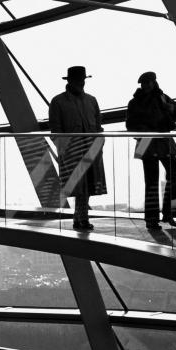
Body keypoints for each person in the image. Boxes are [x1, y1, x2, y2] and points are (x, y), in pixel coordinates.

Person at [49, 65, 106, 231]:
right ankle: (82, 220)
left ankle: (79, 219)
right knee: (80, 187)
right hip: (72, 152)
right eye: (79, 80)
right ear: (71, 81)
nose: (81, 83)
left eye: (82, 80)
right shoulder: (58, 101)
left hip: (91, 149)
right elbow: (56, 129)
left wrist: (99, 144)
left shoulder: (91, 100)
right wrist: (65, 149)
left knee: (86, 186)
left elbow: (98, 126)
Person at [126, 71, 176, 230]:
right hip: (150, 141)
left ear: (154, 83)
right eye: (145, 83)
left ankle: (166, 214)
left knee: (172, 175)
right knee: (153, 179)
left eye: (149, 82)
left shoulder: (161, 98)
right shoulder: (137, 102)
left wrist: (169, 107)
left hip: (159, 140)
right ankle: (158, 217)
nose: (147, 85)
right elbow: (131, 127)